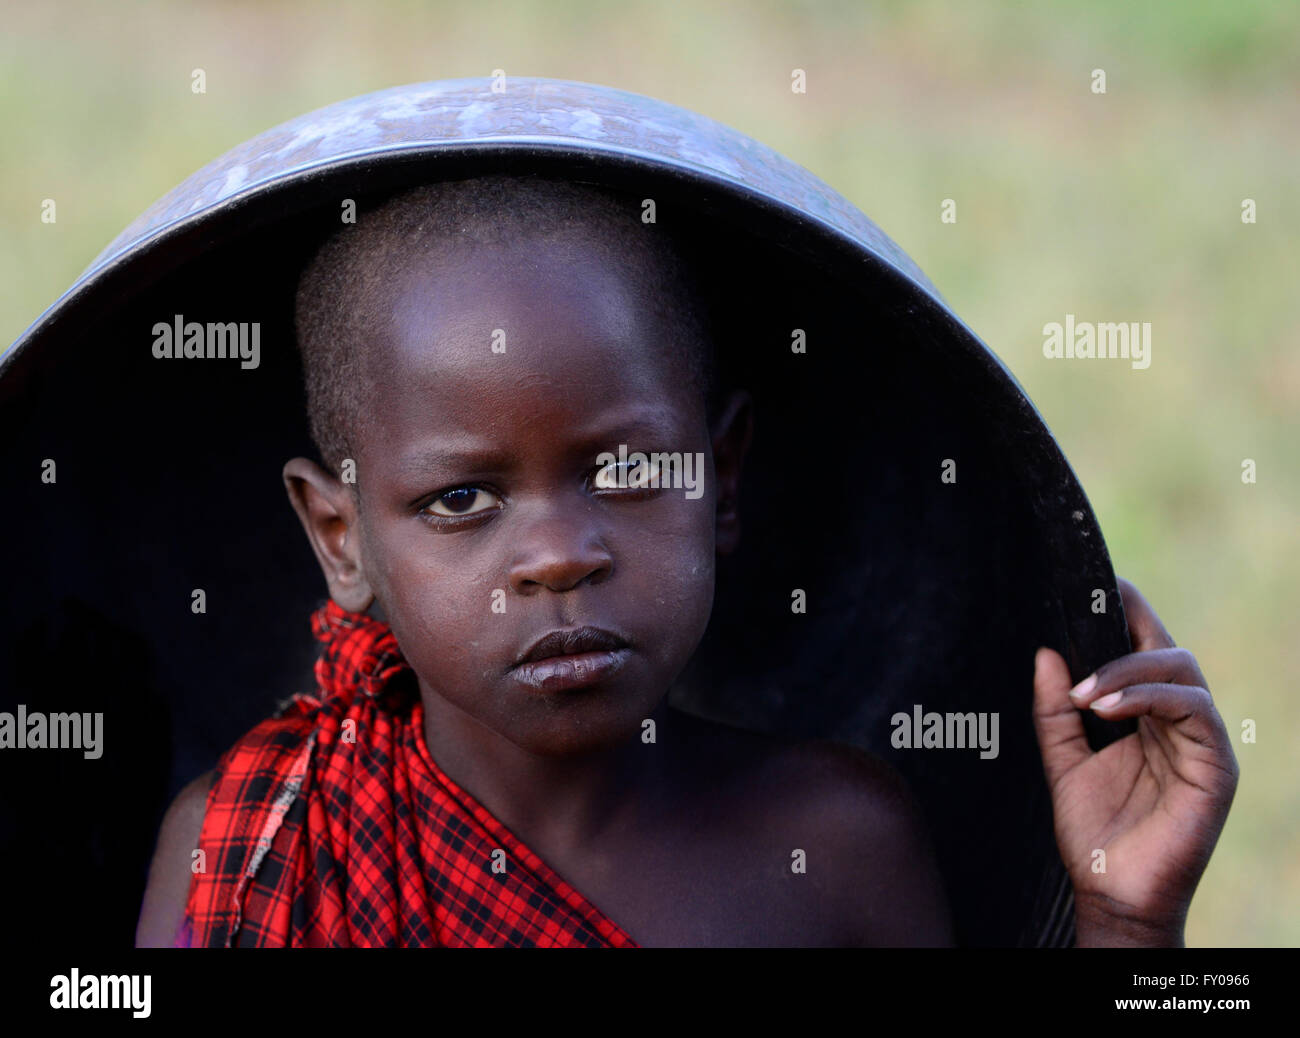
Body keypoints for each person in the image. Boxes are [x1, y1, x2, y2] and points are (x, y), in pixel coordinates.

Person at [134, 174, 1238, 947]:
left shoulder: (833, 846)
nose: (560, 556)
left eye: (624, 472)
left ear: (722, 477)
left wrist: (1126, 924)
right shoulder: (258, 838)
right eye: (460, 499)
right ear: (342, 538)